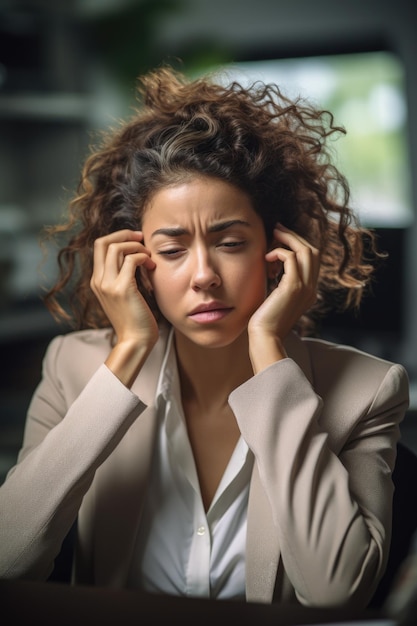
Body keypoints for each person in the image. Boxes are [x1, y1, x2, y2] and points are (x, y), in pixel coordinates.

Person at [0, 65, 409, 609]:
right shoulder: (72, 368)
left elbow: (336, 591)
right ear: (136, 264)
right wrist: (126, 354)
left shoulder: (367, 390)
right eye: (171, 251)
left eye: (231, 242)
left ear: (279, 250)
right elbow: (8, 561)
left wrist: (268, 347)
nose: (203, 275)